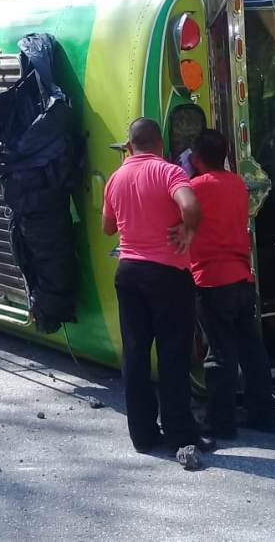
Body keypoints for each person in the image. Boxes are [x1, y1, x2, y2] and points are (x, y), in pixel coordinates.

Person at [102, 117, 213, 454]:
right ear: (160, 144)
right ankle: (180, 433)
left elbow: (107, 227)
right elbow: (190, 204)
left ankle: (143, 436)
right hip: (167, 275)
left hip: (129, 273)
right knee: (173, 354)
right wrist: (188, 230)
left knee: (135, 354)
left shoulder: (116, 178)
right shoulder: (168, 172)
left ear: (129, 144)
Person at [185, 128, 275, 438]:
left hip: (211, 280)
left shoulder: (193, 188)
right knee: (251, 349)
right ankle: (262, 412)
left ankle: (220, 421)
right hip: (241, 276)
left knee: (219, 354)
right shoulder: (238, 184)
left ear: (196, 159)